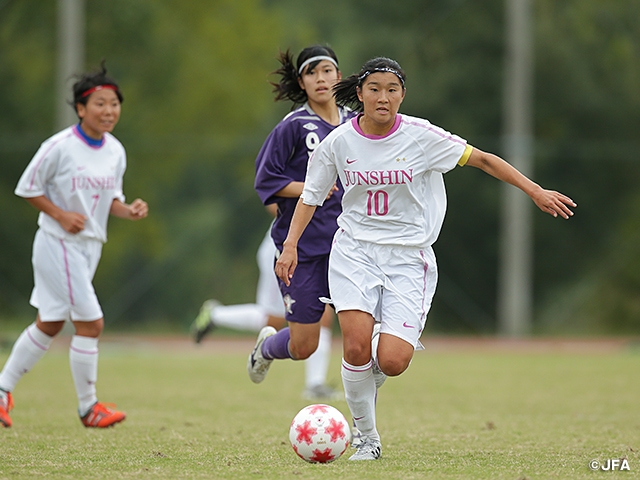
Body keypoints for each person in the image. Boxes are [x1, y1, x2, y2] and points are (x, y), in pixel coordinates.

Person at [274, 57, 577, 460]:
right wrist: (291, 245)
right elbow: (310, 196)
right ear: (360, 94)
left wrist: (535, 191)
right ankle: (367, 439)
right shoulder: (339, 142)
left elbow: (484, 159)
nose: (384, 97)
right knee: (355, 347)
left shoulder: (422, 136)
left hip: (407, 256)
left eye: (392, 89)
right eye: (375, 89)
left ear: (402, 94)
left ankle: (372, 372)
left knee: (393, 361)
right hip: (354, 251)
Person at [0, 62, 148, 429]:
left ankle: (1, 391)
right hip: (58, 242)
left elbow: (109, 200)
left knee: (49, 323)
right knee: (91, 324)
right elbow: (27, 188)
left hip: (89, 246)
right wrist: (60, 214)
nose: (109, 111)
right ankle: (89, 407)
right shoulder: (59, 147)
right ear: (81, 108)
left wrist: (128, 210)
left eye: (114, 103)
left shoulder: (115, 150)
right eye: (100, 103)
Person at [247, 45, 356, 389]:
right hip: (304, 249)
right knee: (304, 344)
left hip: (352, 246)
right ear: (302, 82)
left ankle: (364, 424)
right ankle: (266, 348)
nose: (321, 78)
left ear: (339, 76)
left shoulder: (356, 123)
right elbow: (266, 179)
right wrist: (311, 188)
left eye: (327, 70)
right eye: (312, 73)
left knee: (363, 334)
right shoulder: (293, 126)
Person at [191, 208, 341, 400]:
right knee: (271, 320)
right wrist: (309, 195)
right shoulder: (299, 179)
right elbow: (275, 205)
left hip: (319, 250)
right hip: (285, 250)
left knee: (323, 315)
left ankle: (315, 383)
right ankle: (215, 315)